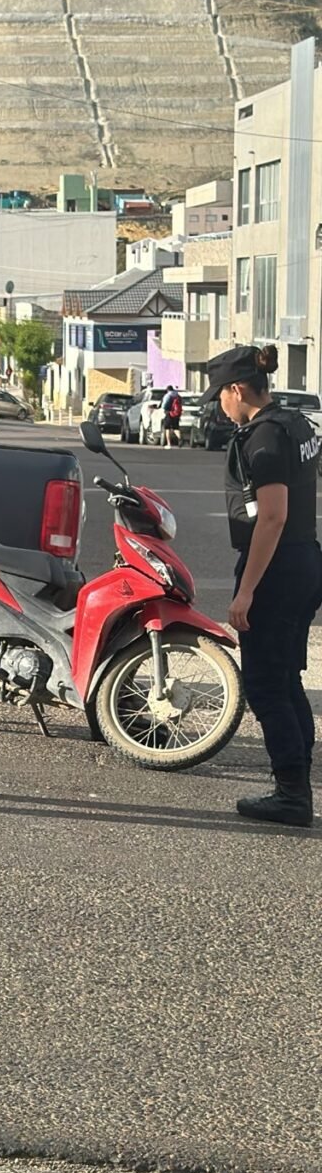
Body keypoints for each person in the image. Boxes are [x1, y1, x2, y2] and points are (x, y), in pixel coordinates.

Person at [202, 343, 322, 827]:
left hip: (277, 567)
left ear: (237, 389)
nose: (219, 406)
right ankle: (297, 780)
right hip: (305, 561)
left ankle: (292, 795)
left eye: (220, 396)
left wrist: (246, 590)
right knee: (285, 680)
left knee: (266, 685)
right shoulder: (296, 425)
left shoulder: (265, 440)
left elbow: (272, 517)